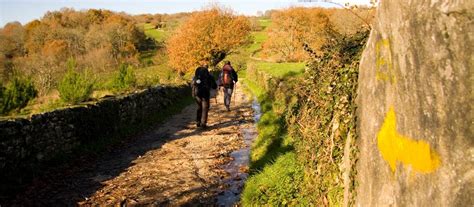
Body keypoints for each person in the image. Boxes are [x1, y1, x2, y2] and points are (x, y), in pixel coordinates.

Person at [192, 64, 217, 128]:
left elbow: (192, 84)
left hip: (197, 93)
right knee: (205, 108)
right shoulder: (209, 76)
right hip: (205, 93)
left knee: (199, 107)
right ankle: (203, 123)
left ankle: (198, 122)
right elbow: (214, 86)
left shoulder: (196, 76)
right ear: (207, 69)